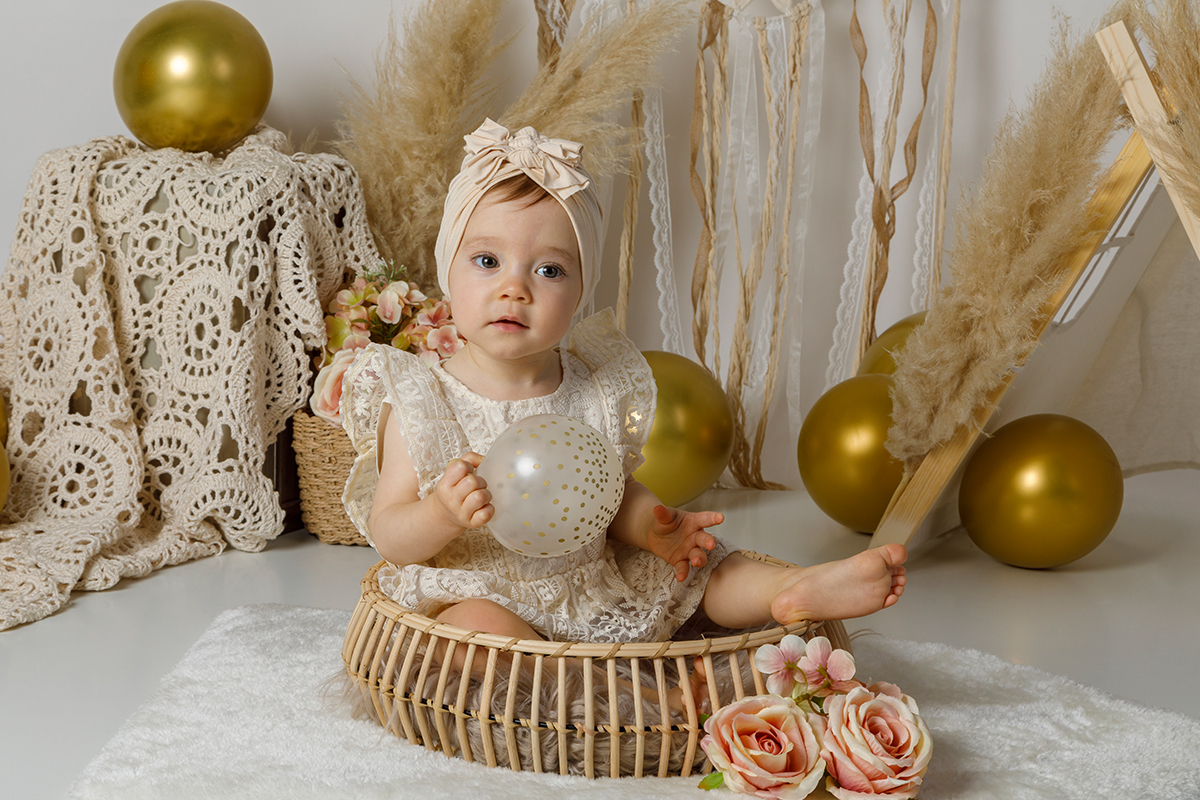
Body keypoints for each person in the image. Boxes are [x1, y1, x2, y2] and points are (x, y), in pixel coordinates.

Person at [340, 119, 906, 656]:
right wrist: (440, 513)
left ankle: (792, 589)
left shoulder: (592, 386)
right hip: (483, 591)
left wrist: (653, 528)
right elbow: (389, 532)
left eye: (550, 271)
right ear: (447, 271)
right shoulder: (422, 398)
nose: (515, 289)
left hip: (591, 583)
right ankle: (621, 695)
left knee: (703, 566)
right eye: (487, 260)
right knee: (475, 630)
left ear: (583, 290)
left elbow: (610, 494)